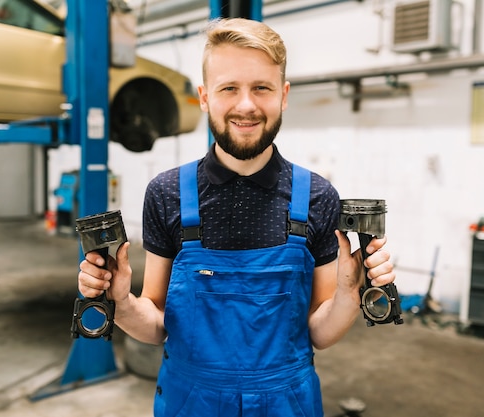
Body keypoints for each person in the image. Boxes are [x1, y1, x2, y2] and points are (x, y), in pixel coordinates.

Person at [78, 17, 395, 417]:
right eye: (229, 88)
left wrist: (351, 294)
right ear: (205, 96)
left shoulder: (317, 197)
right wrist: (119, 301)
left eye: (261, 88)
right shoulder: (167, 194)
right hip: (191, 402)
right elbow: (157, 325)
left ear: (283, 95)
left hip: (287, 402)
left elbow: (319, 331)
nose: (246, 105)